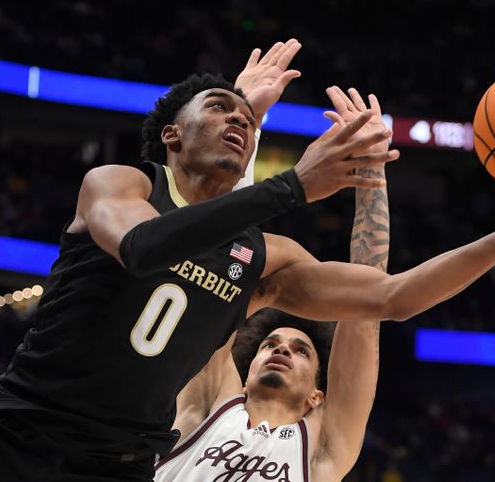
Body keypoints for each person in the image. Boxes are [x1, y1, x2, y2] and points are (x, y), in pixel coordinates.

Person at [0, 36, 495, 481]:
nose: (237, 120)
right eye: (217, 109)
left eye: (245, 119)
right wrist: (291, 178)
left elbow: (392, 296)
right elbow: (143, 247)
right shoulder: (120, 185)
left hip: (118, 465)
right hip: (15, 443)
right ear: (170, 135)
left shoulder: (262, 259)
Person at [155, 86, 391, 482]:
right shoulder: (208, 405)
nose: (282, 348)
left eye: (301, 351)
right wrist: (249, 120)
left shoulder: (321, 451)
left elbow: (365, 309)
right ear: (243, 377)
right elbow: (217, 246)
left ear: (317, 396)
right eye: (271, 344)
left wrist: (372, 177)